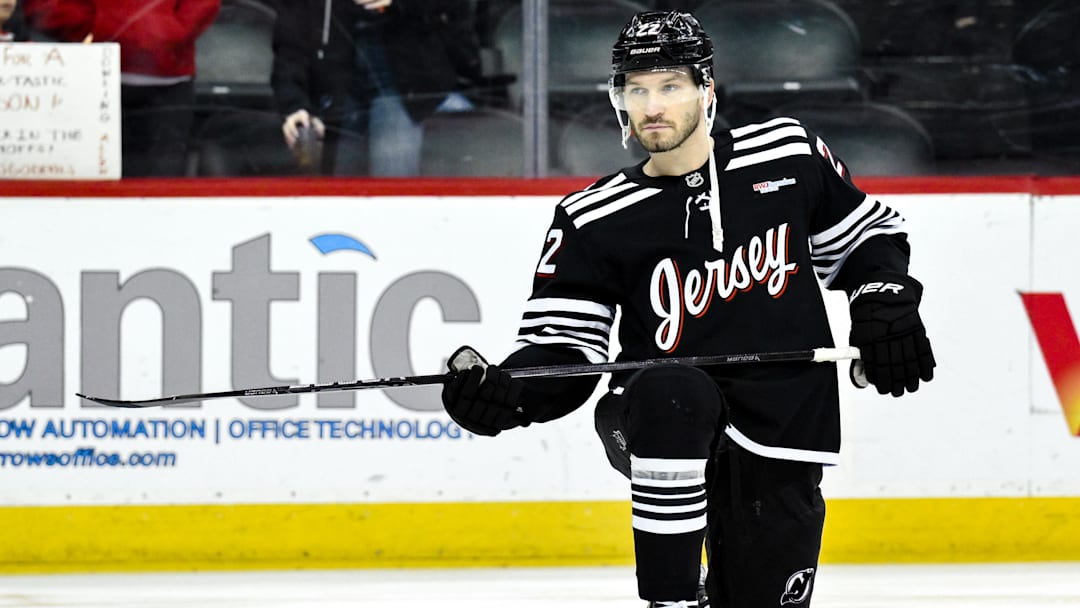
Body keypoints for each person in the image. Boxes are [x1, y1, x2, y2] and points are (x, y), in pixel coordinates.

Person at [439, 10, 936, 608]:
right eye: (636, 89)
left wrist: (882, 300)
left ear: (706, 89)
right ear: (618, 98)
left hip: (784, 423)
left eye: (670, 87)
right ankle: (669, 599)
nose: (652, 106)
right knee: (676, 390)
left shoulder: (788, 155)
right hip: (650, 419)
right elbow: (568, 347)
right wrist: (512, 391)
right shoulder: (592, 215)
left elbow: (866, 238)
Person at [271, 0, 481, 176]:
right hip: (339, 92)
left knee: (390, 191)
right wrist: (295, 103)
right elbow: (291, 43)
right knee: (339, 201)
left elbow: (454, 7)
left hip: (401, 80)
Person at [24, 0, 220, 177]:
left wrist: (102, 27)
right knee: (87, 183)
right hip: (88, 77)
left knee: (161, 190)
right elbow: (44, 6)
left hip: (165, 84)